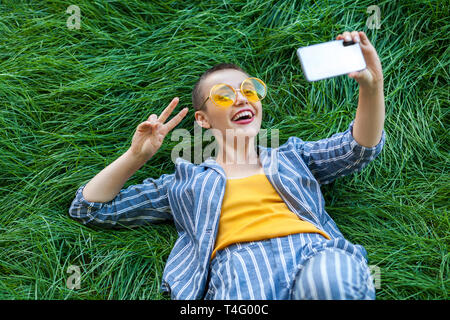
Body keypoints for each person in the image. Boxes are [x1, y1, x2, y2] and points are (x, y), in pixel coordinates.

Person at [68, 30, 386, 300]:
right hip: (239, 270)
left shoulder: (292, 156)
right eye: (223, 95)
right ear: (203, 120)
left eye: (250, 89)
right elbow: (89, 209)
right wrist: (136, 156)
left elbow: (358, 149)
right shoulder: (185, 181)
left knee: (332, 278)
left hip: (310, 252)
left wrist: (372, 86)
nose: (241, 98)